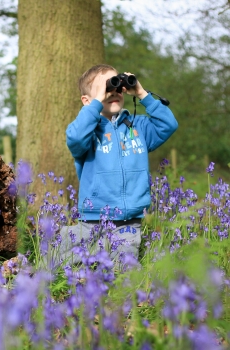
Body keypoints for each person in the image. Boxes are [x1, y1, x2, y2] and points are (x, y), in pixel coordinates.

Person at [63, 64, 178, 264]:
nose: (113, 91)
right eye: (106, 87)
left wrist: (142, 94)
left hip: (128, 223)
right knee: (60, 261)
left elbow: (168, 125)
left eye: (117, 84)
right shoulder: (88, 132)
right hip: (92, 219)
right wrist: (97, 103)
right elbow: (75, 137)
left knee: (123, 271)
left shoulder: (138, 126)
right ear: (87, 101)